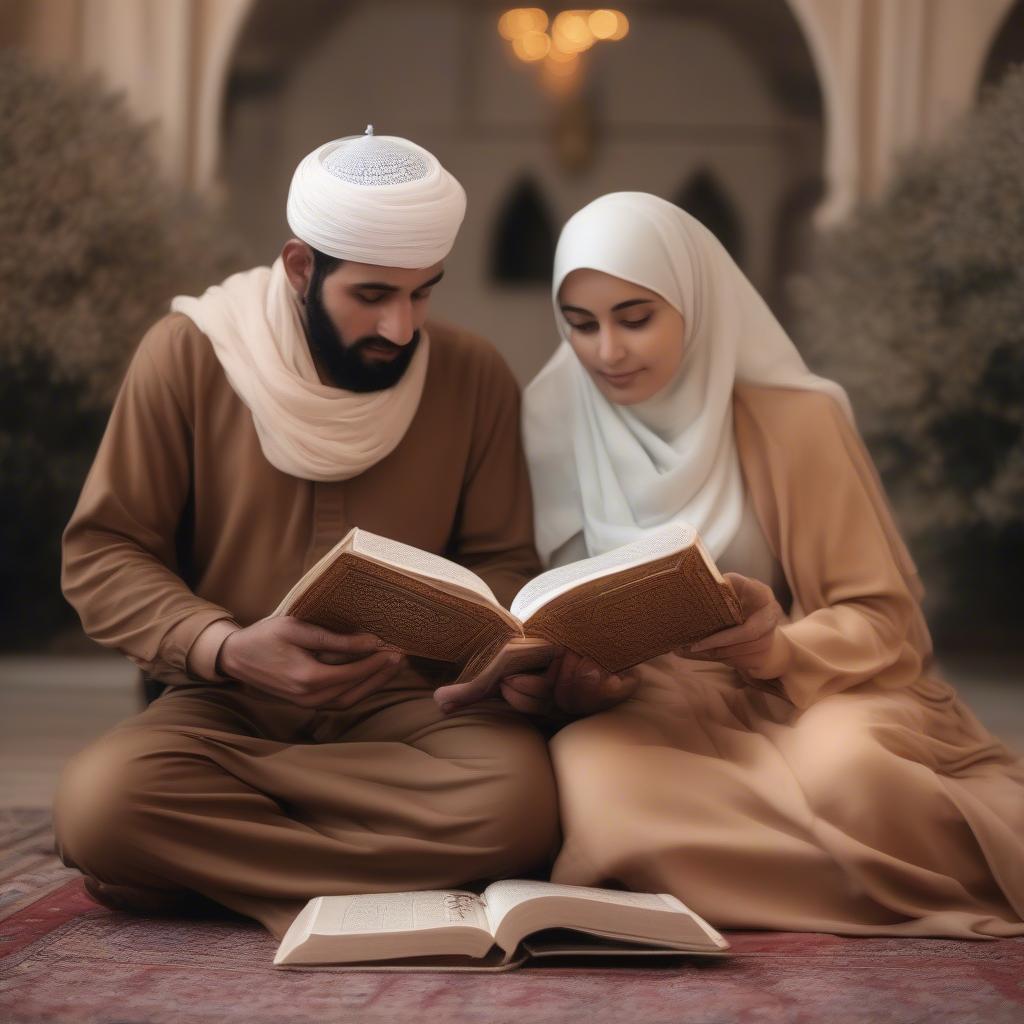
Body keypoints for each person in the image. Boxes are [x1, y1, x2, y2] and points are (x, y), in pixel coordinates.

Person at [54, 128, 559, 939]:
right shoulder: (187, 357)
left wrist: (480, 630)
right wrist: (222, 644)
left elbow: (502, 559)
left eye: (423, 293)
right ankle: (377, 873)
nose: (400, 327)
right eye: (372, 296)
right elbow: (104, 551)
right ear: (300, 267)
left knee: (520, 807)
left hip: (410, 710)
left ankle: (202, 871)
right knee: (99, 803)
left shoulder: (472, 375)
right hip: (230, 707)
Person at [515, 191, 1024, 938]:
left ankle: (758, 880)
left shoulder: (796, 419)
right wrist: (572, 674)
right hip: (649, 708)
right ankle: (851, 881)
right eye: (582, 325)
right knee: (605, 799)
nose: (608, 353)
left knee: (850, 776)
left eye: (635, 317)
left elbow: (887, 622)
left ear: (695, 301)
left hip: (811, 691)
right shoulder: (549, 421)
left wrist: (779, 644)